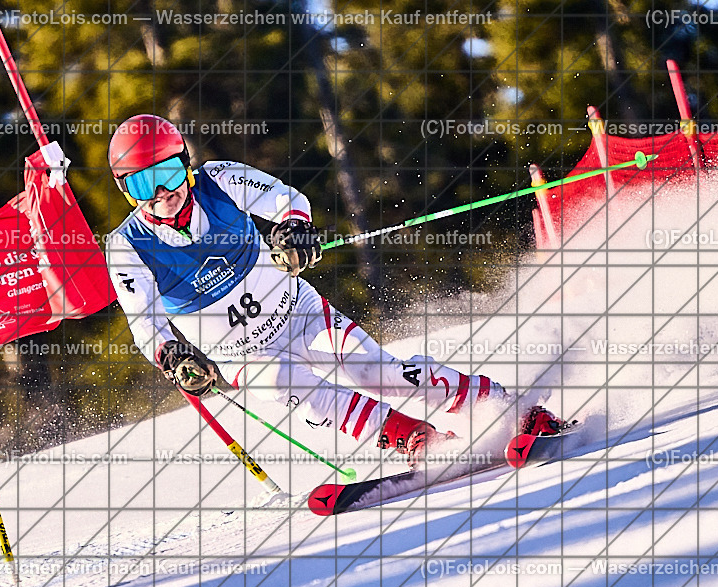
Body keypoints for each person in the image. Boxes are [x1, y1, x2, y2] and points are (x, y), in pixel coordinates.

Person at [104, 114, 565, 465]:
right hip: (244, 356)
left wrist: (294, 231)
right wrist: (174, 357)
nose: (161, 192)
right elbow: (145, 323)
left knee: (378, 372)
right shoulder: (127, 246)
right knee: (305, 391)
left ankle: (512, 410)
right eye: (144, 183)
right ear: (127, 191)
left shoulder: (219, 181)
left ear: (185, 164)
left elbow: (286, 200)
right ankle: (413, 438)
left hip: (297, 313)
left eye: (167, 174)